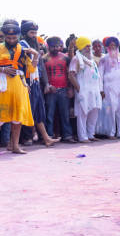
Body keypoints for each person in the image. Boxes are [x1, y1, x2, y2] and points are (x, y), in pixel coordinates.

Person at [19, 20, 59, 147]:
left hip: (36, 83)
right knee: (27, 111)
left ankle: (46, 138)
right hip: (26, 83)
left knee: (38, 111)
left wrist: (46, 84)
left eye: (35, 32)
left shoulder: (36, 46)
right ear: (25, 33)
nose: (34, 35)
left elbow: (41, 67)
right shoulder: (21, 46)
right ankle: (25, 138)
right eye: (32, 32)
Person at [0, 20, 38, 154]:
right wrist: (3, 69)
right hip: (2, 88)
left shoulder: (23, 50)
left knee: (17, 119)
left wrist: (36, 55)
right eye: (8, 38)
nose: (11, 40)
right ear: (4, 36)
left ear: (19, 37)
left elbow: (31, 70)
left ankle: (15, 146)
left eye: (14, 38)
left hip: (19, 87)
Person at [68, 37, 103, 143]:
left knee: (94, 112)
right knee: (83, 114)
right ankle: (83, 137)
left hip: (94, 91)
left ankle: (90, 134)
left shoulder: (92, 60)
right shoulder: (76, 59)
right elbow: (71, 75)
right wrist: (78, 88)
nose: (89, 48)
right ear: (81, 47)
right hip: (83, 91)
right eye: (86, 46)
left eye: (89, 46)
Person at [43, 36, 74, 142]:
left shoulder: (65, 58)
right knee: (49, 115)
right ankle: (49, 136)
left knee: (65, 114)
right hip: (51, 91)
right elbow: (42, 75)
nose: (56, 48)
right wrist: (47, 86)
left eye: (58, 46)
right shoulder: (44, 58)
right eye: (53, 46)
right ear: (48, 46)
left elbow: (71, 73)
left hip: (64, 89)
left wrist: (70, 88)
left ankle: (67, 136)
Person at [97, 37, 120, 138]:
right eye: (111, 46)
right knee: (111, 111)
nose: (113, 47)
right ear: (107, 47)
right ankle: (111, 133)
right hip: (109, 88)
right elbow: (100, 75)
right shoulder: (104, 59)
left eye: (114, 46)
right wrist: (101, 90)